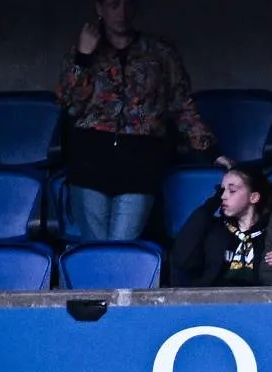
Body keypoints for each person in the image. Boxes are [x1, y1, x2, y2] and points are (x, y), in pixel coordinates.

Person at [55, 0, 226, 242]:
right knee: (95, 250)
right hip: (89, 161)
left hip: (139, 161)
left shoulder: (158, 52)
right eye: (113, 5)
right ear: (99, 8)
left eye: (128, 5)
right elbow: (67, 103)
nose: (121, 13)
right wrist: (83, 57)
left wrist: (211, 151)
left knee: (124, 246)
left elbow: (180, 105)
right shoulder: (83, 50)